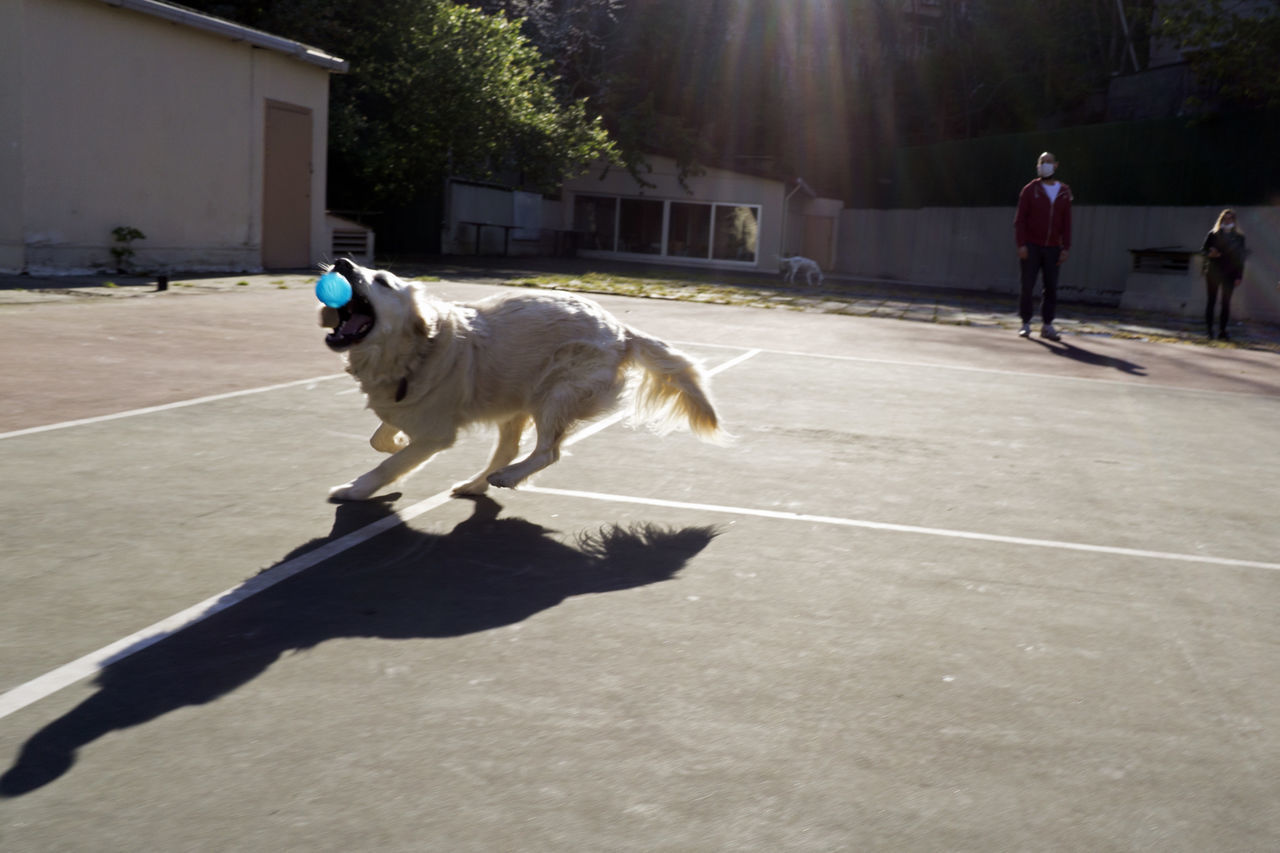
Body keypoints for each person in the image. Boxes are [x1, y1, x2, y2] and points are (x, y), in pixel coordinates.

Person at [1013, 151, 1072, 340]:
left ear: (1056, 165)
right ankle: (1025, 323)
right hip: (1032, 246)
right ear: (1038, 166)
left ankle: (1047, 325)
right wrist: (1021, 244)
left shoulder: (1064, 191)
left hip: (1053, 248)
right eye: (1042, 162)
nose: (1045, 165)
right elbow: (1020, 220)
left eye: (1049, 162)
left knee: (1051, 287)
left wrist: (1066, 247)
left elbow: (1067, 222)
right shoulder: (1030, 190)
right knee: (1028, 286)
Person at [1201, 208, 1246, 341]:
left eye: (1230, 218)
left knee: (1226, 303)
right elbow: (1203, 251)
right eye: (1225, 218)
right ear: (1221, 219)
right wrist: (1210, 254)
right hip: (1213, 272)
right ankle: (1209, 331)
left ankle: (1222, 331)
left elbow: (1241, 258)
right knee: (1211, 301)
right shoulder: (1213, 234)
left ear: (1234, 220)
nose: (1227, 220)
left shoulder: (1239, 237)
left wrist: (1239, 276)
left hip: (1230, 274)